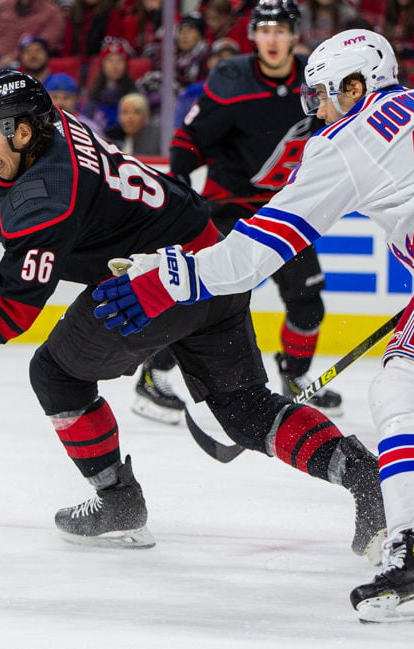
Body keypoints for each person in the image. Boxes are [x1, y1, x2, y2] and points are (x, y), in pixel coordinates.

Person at [93, 29, 414, 623]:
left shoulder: (349, 137)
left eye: (322, 95)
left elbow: (256, 254)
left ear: (356, 85)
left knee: (404, 388)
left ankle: (413, 554)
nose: (316, 110)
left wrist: (164, 279)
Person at [0, 69, 388, 566]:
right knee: (244, 408)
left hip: (151, 285)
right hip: (211, 264)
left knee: (55, 374)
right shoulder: (29, 122)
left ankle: (117, 500)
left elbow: (12, 308)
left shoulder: (46, 194)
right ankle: (364, 475)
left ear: (23, 132)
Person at [164, 0, 343, 424]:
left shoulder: (315, 80)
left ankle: (295, 380)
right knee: (208, 298)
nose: (273, 39)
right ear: (254, 36)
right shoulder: (232, 79)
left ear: (295, 35)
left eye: (280, 30)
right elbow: (188, 141)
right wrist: (180, 196)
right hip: (229, 210)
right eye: (264, 31)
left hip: (284, 212)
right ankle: (154, 375)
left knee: (308, 303)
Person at [0, 0, 64, 71]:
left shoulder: (52, 12)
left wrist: (12, 57)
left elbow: (47, 43)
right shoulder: (3, 7)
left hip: (30, 64)